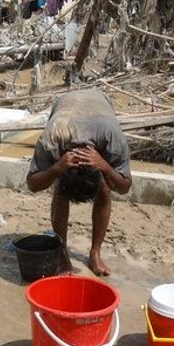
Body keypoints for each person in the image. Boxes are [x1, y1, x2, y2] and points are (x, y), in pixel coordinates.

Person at [26, 89, 131, 276]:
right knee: (60, 192)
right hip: (66, 105)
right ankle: (62, 253)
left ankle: (95, 253)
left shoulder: (112, 139)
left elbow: (124, 187)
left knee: (105, 189)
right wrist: (57, 167)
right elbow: (32, 184)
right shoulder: (52, 138)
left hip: (100, 101)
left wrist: (105, 166)